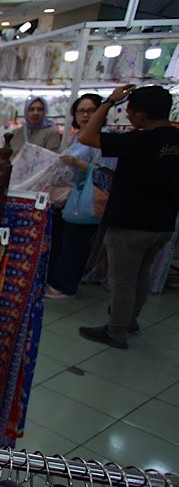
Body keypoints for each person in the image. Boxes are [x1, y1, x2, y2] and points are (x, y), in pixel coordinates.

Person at [77, 85, 179, 349]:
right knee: (142, 274)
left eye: (130, 111)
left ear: (140, 115)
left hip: (130, 222)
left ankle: (116, 330)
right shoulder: (176, 140)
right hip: (163, 223)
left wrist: (110, 101)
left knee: (122, 279)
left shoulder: (138, 140)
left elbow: (87, 137)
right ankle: (130, 320)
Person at [46, 94, 116, 299]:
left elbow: (106, 173)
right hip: (67, 198)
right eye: (81, 111)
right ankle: (57, 280)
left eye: (91, 111)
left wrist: (77, 164)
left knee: (75, 244)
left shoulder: (104, 138)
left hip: (87, 198)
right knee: (61, 241)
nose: (85, 115)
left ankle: (66, 285)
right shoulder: (77, 138)